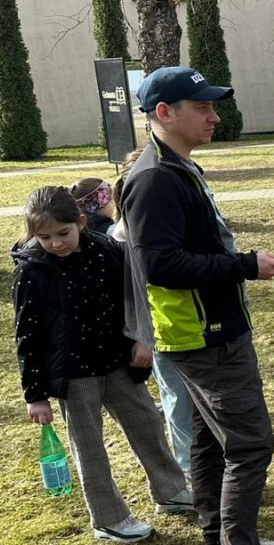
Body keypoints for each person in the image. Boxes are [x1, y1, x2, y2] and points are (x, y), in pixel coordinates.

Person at [120, 65, 274, 545]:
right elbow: (161, 264)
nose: (215, 115)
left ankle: (219, 543)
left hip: (206, 331)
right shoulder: (154, 177)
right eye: (202, 107)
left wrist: (237, 264)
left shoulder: (177, 168)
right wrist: (244, 264)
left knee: (209, 442)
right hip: (204, 336)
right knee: (250, 446)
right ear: (164, 113)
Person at [12, 186, 191, 544]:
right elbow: (28, 337)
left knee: (148, 424)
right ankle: (109, 518)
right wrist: (36, 395)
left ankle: (171, 490)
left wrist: (143, 338)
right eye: (44, 237)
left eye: (63, 233)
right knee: (89, 446)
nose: (56, 243)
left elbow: (135, 298)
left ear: (80, 222)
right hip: (75, 375)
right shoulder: (32, 273)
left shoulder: (108, 251)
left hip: (119, 362)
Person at [112, 151, 194, 474]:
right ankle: (187, 467)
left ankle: (199, 463)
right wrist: (143, 336)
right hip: (159, 329)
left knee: (188, 396)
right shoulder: (124, 237)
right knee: (177, 397)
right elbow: (133, 294)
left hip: (184, 322)